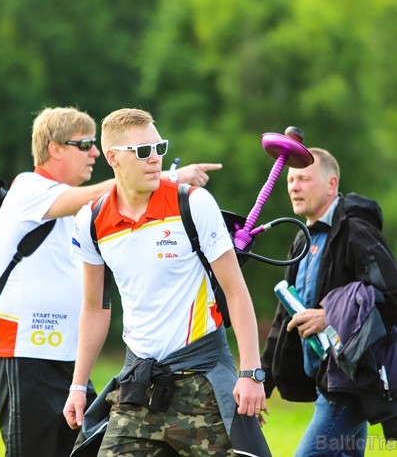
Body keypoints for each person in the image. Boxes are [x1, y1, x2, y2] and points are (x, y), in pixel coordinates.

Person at [0, 106, 222, 457]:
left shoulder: (87, 214)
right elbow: (99, 192)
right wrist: (169, 176)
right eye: (85, 145)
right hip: (24, 352)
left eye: (96, 144)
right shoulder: (29, 188)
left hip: (65, 353)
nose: (94, 152)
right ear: (55, 149)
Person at [64, 108, 271, 456]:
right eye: (143, 151)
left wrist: (251, 372)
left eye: (159, 147)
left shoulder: (193, 203)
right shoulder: (91, 220)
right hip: (139, 387)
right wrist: (78, 385)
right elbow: (94, 308)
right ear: (113, 158)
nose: (155, 158)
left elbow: (236, 292)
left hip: (203, 380)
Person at [261, 148, 397, 456]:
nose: (294, 186)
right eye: (290, 179)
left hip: (352, 381)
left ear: (331, 185)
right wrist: (261, 384)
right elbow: (282, 317)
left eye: (303, 178)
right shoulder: (302, 238)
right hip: (325, 381)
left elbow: (395, 298)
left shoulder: (356, 231)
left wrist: (329, 315)